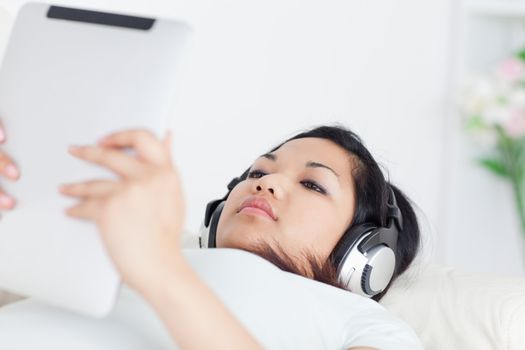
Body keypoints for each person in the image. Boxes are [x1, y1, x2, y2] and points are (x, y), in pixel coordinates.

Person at [0, 123, 422, 349]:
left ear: (365, 255)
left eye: (312, 184)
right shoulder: (128, 251)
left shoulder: (367, 324)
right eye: (259, 171)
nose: (267, 183)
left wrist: (159, 269)